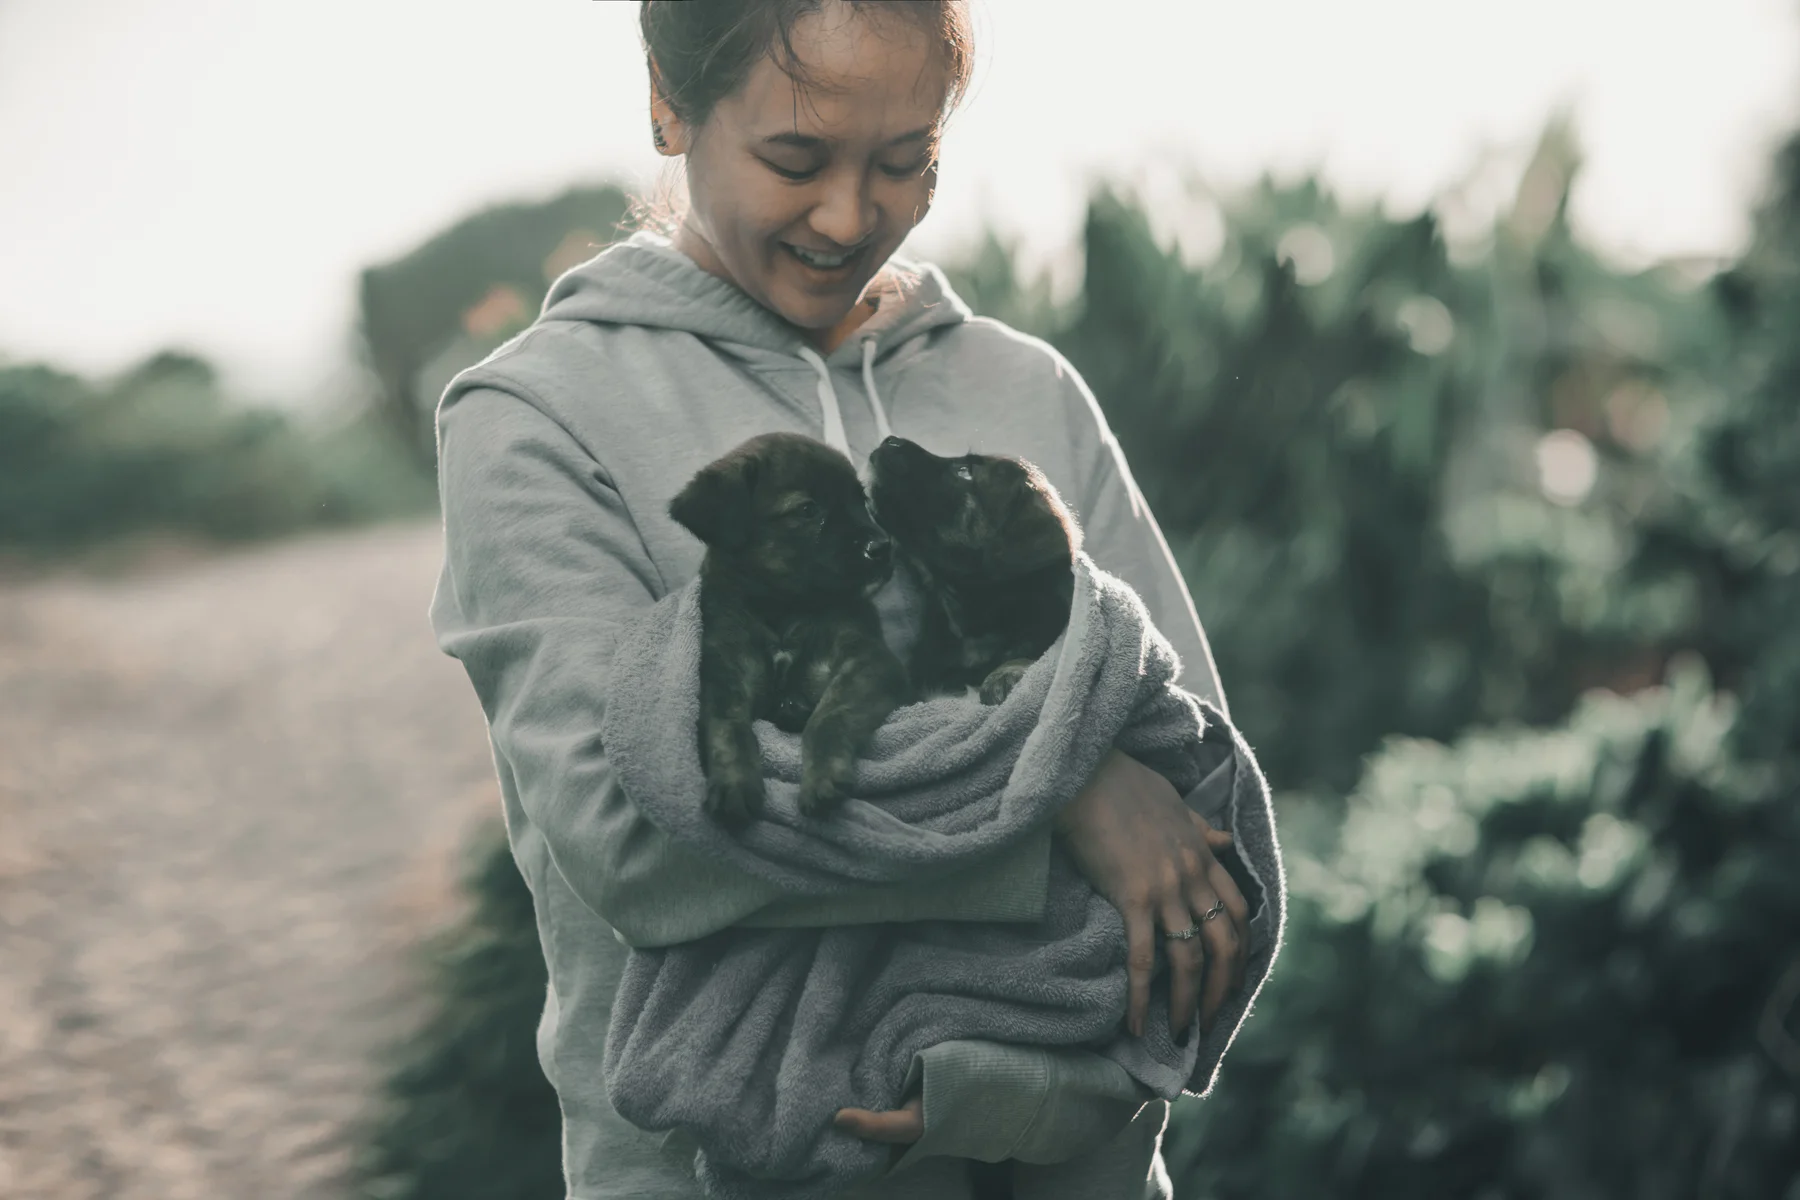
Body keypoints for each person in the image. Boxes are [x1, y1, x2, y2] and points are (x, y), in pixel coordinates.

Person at [430, 2, 1273, 1196]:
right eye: (796, 158)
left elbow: (1198, 829)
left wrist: (1019, 1097)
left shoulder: (1026, 390)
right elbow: (633, 839)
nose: (847, 217)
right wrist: (1065, 794)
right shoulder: (538, 419)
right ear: (670, 102)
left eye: (903, 160)